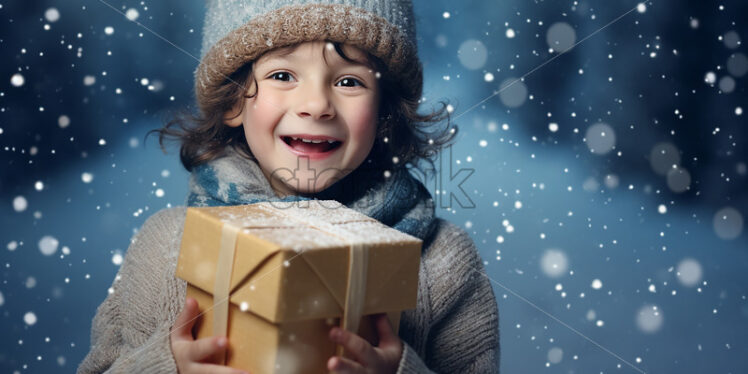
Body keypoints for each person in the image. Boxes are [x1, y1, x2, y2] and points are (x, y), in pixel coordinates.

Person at [77, 0, 500, 373]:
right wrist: (163, 368)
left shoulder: (444, 264)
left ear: (386, 109)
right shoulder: (164, 246)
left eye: (349, 81)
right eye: (282, 75)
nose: (316, 105)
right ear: (232, 101)